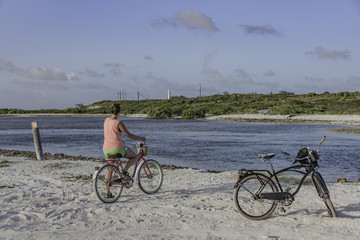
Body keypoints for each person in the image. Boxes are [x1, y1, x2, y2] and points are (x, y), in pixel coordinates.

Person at [103, 103, 146, 177]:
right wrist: (141, 138)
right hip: (117, 148)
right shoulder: (118, 123)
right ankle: (124, 171)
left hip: (106, 148)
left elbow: (111, 133)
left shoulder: (106, 120)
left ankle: (107, 188)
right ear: (119, 112)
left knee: (110, 169)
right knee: (135, 157)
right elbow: (129, 135)